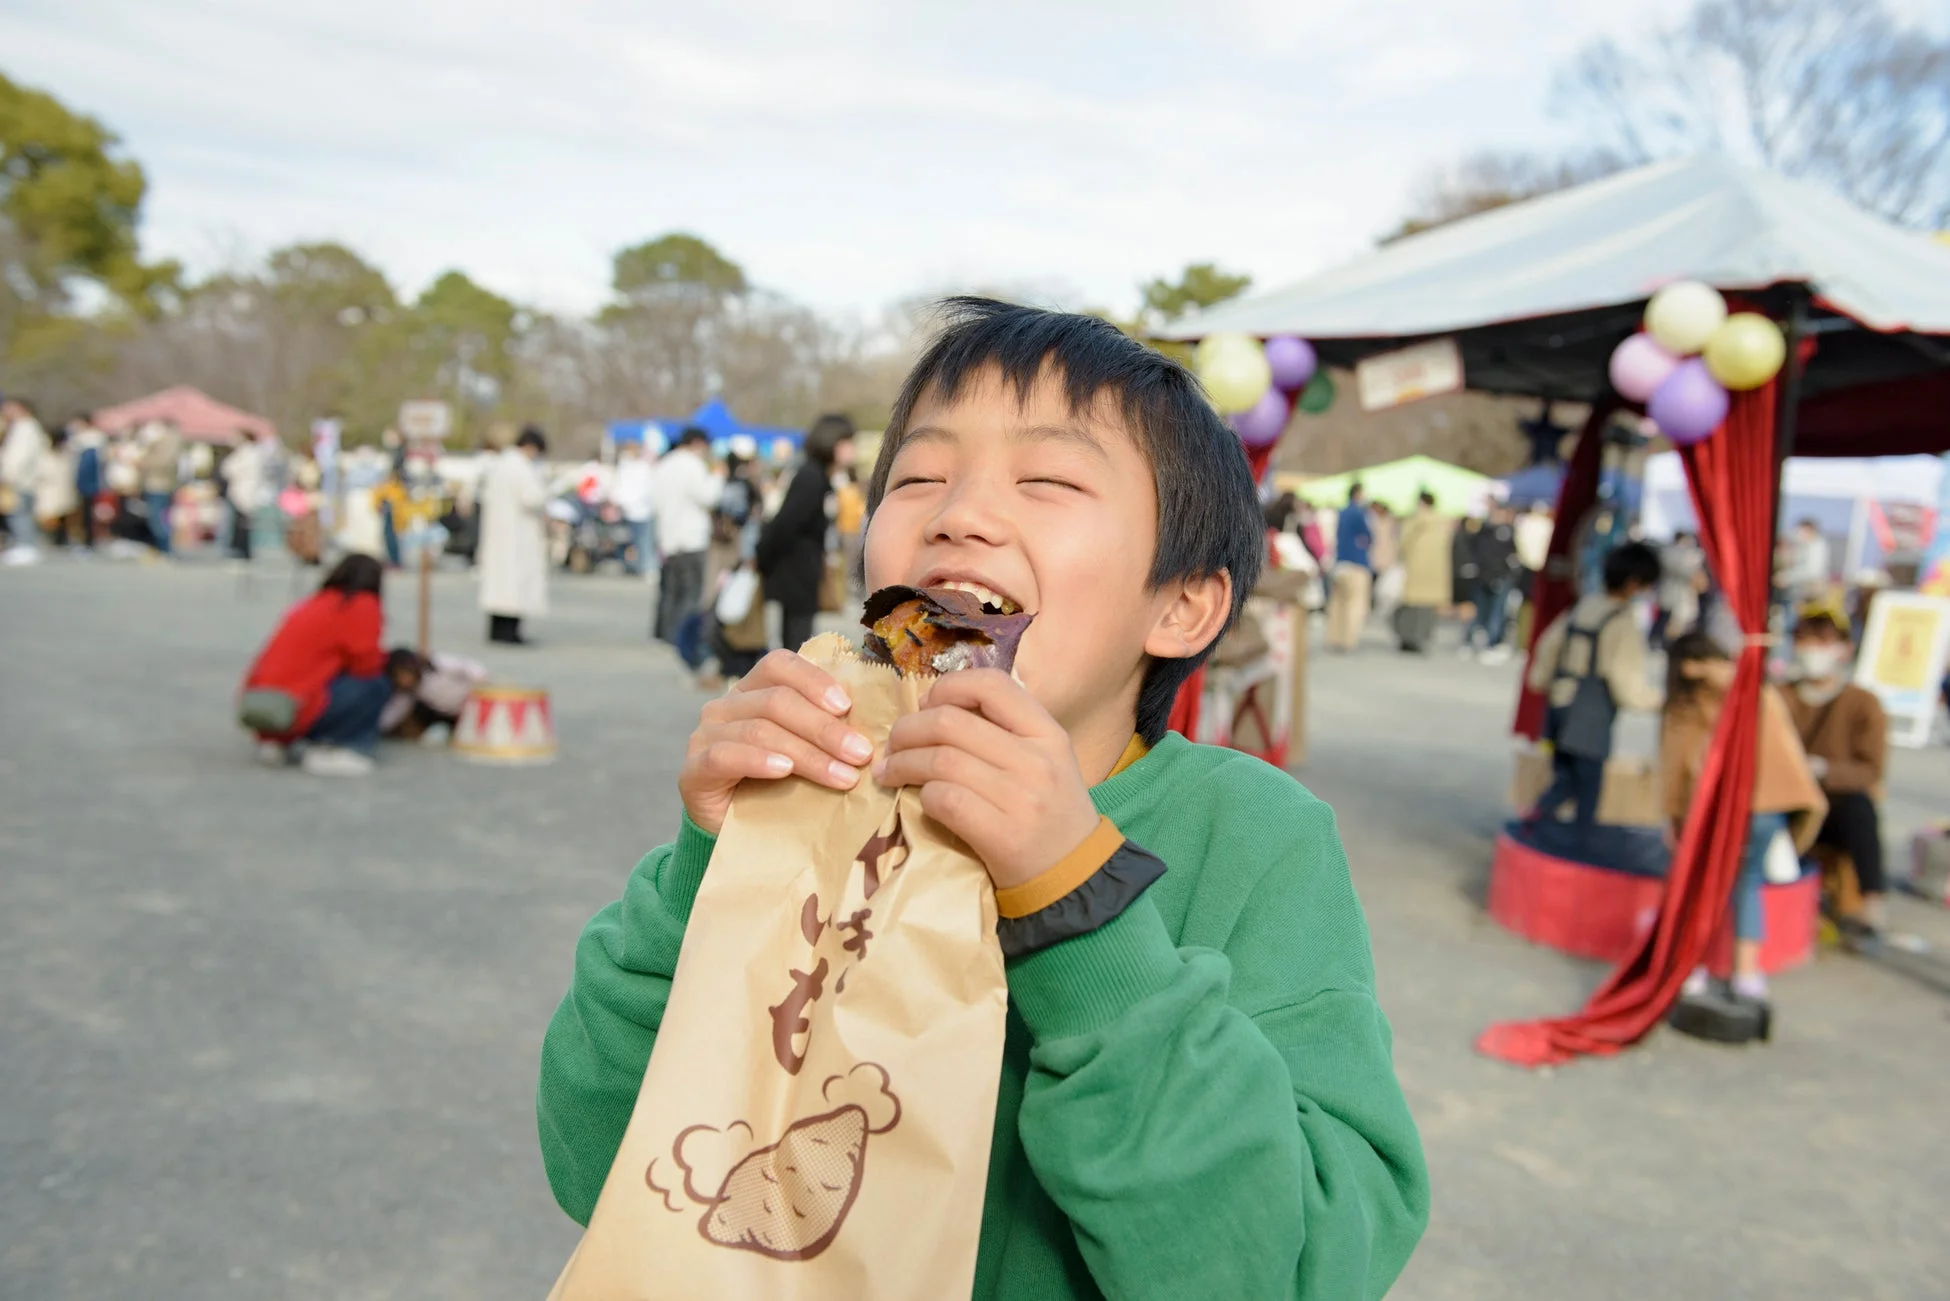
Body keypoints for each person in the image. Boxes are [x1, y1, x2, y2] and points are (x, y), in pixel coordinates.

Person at [536, 298, 1428, 1298]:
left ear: (1182, 604)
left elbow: (1297, 1263)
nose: (956, 511)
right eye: (918, 476)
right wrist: (707, 871)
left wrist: (1076, 901)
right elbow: (595, 1164)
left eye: (1047, 479)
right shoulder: (821, 792)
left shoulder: (1253, 837)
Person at [1660, 632, 1826, 1030]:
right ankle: (1748, 976)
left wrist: (1673, 817)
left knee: (1702, 887)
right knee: (1747, 885)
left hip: (1716, 810)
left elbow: (1676, 766)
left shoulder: (1691, 700)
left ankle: (1693, 967)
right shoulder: (1756, 690)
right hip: (1766, 807)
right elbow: (1785, 752)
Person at [1525, 542, 1664, 830]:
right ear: (1633, 584)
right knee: (1586, 790)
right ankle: (1552, 835)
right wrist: (1657, 701)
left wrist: (1541, 681)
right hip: (1589, 717)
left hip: (1559, 707)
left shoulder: (1583, 607)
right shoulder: (1622, 622)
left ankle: (1538, 829)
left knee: (1563, 777)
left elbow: (1548, 648)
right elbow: (1624, 678)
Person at [1782, 604, 1891, 948]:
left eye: (1823, 641)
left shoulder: (1863, 702)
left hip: (1836, 802)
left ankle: (1872, 910)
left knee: (1860, 809)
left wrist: (1824, 770)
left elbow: (1871, 769)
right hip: (1787, 799)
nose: (1813, 649)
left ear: (1844, 648)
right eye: (1806, 640)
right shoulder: (1779, 695)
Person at [239, 555, 393, 776]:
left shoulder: (314, 603)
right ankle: (338, 747)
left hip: (261, 702)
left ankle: (277, 741)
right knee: (375, 685)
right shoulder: (360, 604)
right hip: (299, 706)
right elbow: (366, 664)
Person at [757, 413, 855, 654]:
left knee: (798, 639)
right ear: (831, 442)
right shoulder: (810, 477)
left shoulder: (821, 476)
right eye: (847, 443)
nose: (852, 450)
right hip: (795, 573)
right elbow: (785, 524)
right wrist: (761, 559)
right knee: (796, 644)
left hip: (802, 573)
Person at [478, 426, 550, 645]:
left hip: (499, 534)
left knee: (500, 585)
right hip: (519, 535)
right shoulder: (521, 468)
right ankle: (511, 632)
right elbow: (532, 498)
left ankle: (496, 630)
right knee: (516, 585)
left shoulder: (500, 465)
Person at [651, 426, 722, 648]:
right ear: (698, 444)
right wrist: (718, 476)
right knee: (690, 593)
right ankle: (683, 637)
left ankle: (665, 634)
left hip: (667, 536)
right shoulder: (693, 466)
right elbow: (709, 497)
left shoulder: (664, 464)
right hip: (691, 537)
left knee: (670, 591)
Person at [379, 647, 487, 741]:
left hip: (472, 703)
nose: (404, 680)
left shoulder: (436, 663)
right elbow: (393, 714)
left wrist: (480, 680)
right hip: (447, 715)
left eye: (405, 673)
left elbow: (466, 665)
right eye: (399, 677)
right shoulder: (407, 694)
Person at [1396, 491, 1453, 654]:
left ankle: (1408, 638)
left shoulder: (1415, 520)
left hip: (1416, 569)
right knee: (1427, 610)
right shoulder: (1443, 522)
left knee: (1411, 608)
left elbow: (1404, 542)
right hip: (1436, 573)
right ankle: (1422, 638)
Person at [1466, 504, 1521, 663]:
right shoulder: (1484, 531)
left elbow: (1510, 555)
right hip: (1483, 576)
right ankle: (1472, 640)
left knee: (1497, 612)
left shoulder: (1507, 532)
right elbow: (1477, 551)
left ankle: (1492, 642)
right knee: (1479, 610)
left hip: (1501, 576)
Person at [1326, 484, 1373, 651]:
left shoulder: (1341, 513)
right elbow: (1368, 536)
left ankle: (1334, 638)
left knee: (1337, 604)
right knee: (1354, 604)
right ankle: (1348, 641)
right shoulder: (1359, 513)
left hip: (1339, 563)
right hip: (1356, 565)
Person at [2, 396, 49, 560]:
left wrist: (8, 474)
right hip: (24, 478)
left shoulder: (25, 428)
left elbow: (19, 456)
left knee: (19, 514)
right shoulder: (24, 427)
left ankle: (26, 546)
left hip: (20, 479)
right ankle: (24, 544)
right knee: (20, 513)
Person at [220, 430, 270, 562]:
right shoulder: (246, 452)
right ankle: (240, 548)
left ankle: (243, 550)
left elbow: (230, 469)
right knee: (239, 522)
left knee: (243, 523)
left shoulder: (249, 453)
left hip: (244, 491)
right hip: (239, 491)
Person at [611, 439, 656, 576]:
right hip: (632, 510)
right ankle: (640, 565)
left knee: (643, 541)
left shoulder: (641, 467)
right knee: (636, 541)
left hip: (642, 509)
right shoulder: (628, 467)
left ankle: (646, 566)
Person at [1653, 531, 1705, 649]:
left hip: (1670, 598)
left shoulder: (1667, 552)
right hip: (1677, 599)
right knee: (1671, 625)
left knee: (1666, 624)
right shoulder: (1685, 556)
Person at [138, 419, 183, 555]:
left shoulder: (169, 441)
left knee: (158, 518)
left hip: (158, 485)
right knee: (160, 518)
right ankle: (162, 547)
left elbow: (163, 462)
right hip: (159, 484)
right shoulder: (165, 441)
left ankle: (164, 548)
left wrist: (143, 462)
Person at [32, 425, 81, 550]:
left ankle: (57, 539)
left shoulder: (63, 452)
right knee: (58, 515)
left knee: (55, 515)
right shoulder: (66, 452)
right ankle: (58, 539)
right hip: (57, 489)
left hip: (53, 488)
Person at [70, 415, 105, 548]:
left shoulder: (92, 440)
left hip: (89, 482)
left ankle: (89, 540)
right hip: (84, 481)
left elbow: (89, 466)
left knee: (89, 512)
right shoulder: (79, 440)